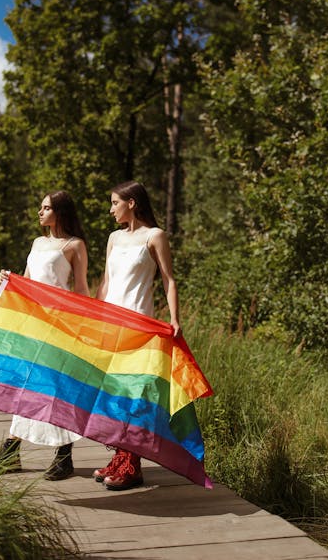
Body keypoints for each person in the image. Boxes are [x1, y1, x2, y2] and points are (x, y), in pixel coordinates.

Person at [0, 189, 89, 480]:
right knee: (28, 386)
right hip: (34, 324)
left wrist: (83, 328)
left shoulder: (75, 245)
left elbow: (82, 290)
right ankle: (12, 451)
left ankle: (63, 456)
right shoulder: (37, 242)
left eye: (46, 208)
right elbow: (28, 281)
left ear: (59, 212)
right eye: (41, 207)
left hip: (60, 325)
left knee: (58, 389)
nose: (40, 212)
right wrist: (10, 280)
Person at [93, 180, 181, 491]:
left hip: (139, 326)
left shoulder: (155, 236)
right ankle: (120, 456)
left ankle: (132, 464)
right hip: (111, 324)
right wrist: (95, 316)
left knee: (134, 395)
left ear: (131, 202)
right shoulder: (114, 238)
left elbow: (169, 280)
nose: (111, 208)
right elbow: (105, 283)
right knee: (114, 394)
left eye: (115, 202)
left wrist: (174, 319)